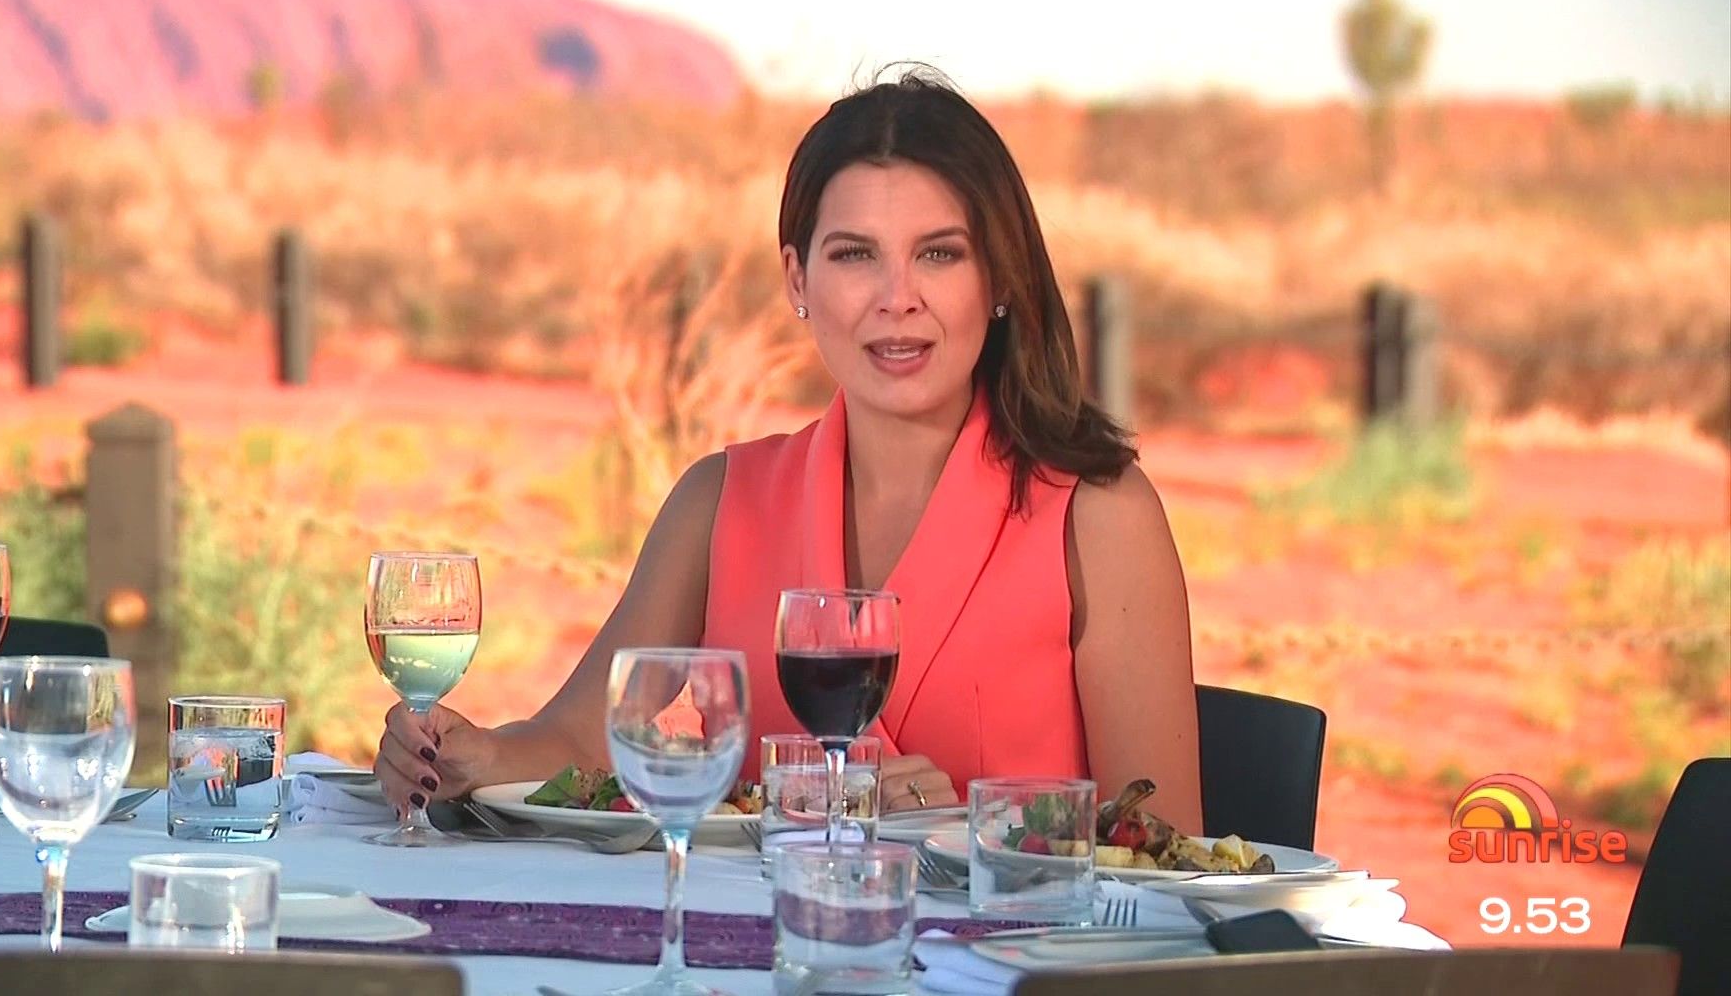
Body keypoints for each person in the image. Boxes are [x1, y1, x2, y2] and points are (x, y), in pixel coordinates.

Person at [375, 68, 1203, 828]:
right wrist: (468, 756)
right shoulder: (718, 502)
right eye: (855, 256)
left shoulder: (1099, 517)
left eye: (939, 254)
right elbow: (577, 743)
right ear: (798, 280)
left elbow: (1166, 847)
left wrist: (971, 829)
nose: (898, 299)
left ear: (1001, 281)